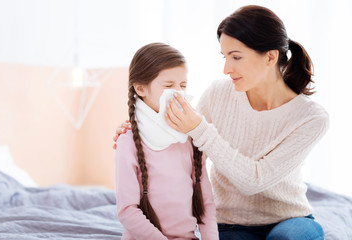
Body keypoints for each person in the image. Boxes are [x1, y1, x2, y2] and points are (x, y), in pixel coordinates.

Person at [114, 5, 328, 240]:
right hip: (231, 224)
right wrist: (138, 128)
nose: (226, 69)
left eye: (236, 57)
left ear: (270, 57)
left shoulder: (311, 117)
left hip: (290, 220)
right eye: (224, 57)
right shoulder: (218, 93)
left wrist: (199, 128)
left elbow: (255, 180)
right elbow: (178, 133)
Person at [114, 42, 219, 240]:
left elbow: (206, 204)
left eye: (183, 85)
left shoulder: (190, 136)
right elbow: (127, 210)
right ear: (141, 88)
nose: (178, 93)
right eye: (169, 86)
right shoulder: (127, 141)